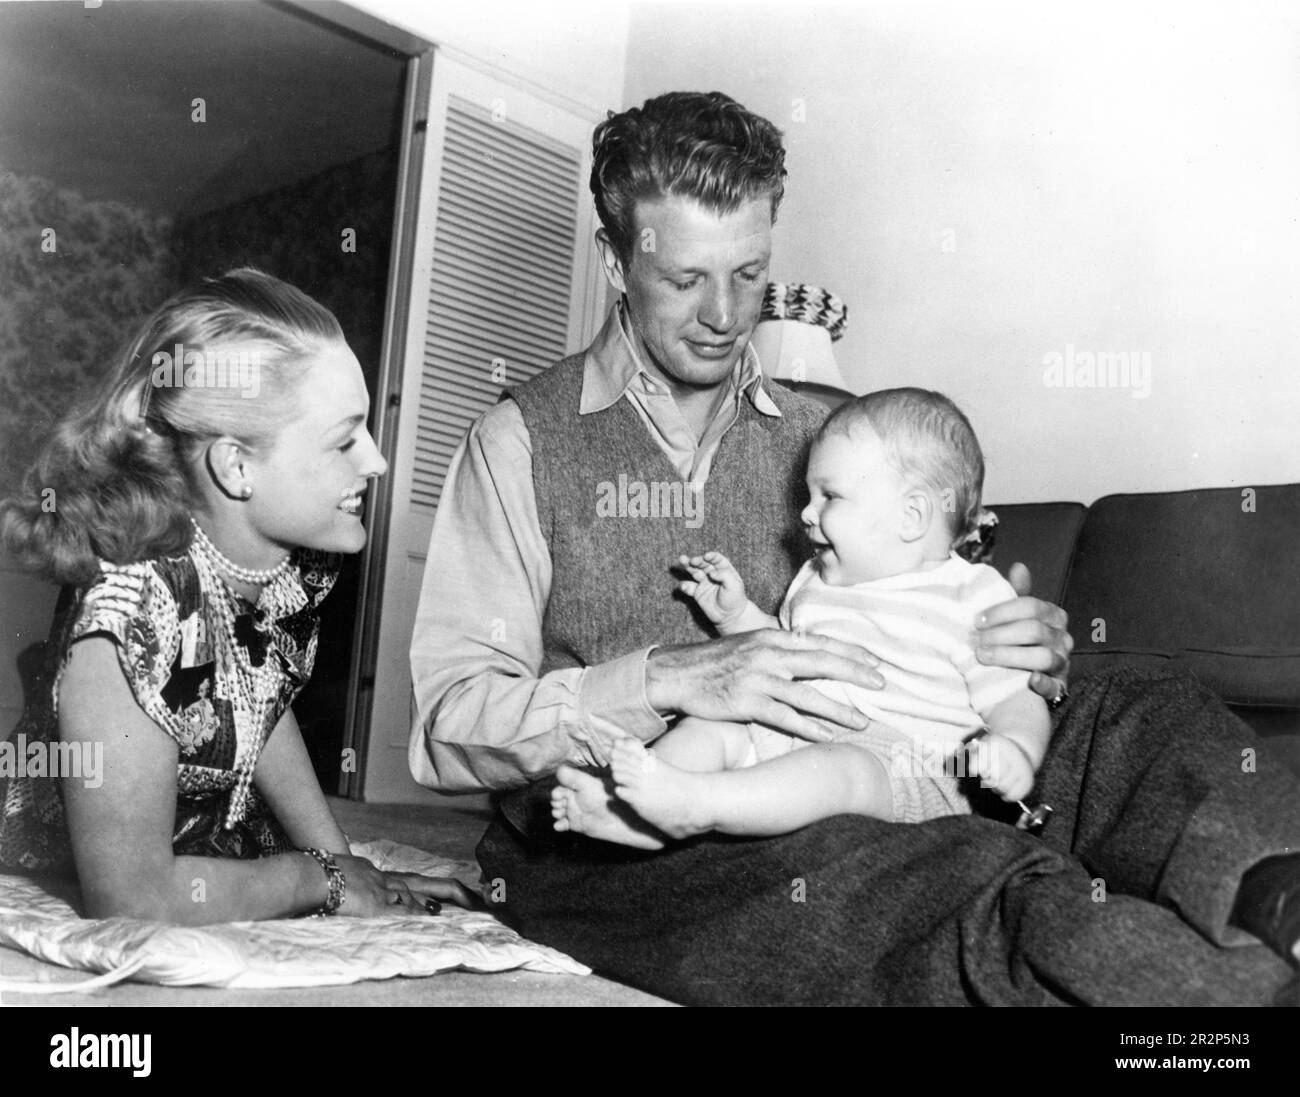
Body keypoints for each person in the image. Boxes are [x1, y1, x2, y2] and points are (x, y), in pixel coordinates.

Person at [410, 91, 1300, 1005]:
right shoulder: (518, 442)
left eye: (749, 274)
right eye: (685, 279)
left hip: (908, 744)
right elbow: (448, 725)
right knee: (927, 877)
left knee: (1136, 699)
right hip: (618, 820)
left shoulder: (829, 429)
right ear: (615, 257)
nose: (724, 314)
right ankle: (1211, 1004)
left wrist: (1025, 650)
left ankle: (1279, 884)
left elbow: (946, 593)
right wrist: (671, 678)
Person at [0, 269, 477, 923]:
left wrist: (346, 865)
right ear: (236, 466)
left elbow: (257, 700)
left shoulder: (281, 568)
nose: (377, 461)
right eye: (345, 438)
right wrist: (317, 879)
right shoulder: (130, 613)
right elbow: (131, 898)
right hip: (96, 861)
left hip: (201, 831)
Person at [550, 388, 1050, 848]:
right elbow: (783, 656)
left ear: (912, 516)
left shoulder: (971, 594)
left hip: (909, 770)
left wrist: (1015, 751)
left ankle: (699, 807)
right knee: (716, 724)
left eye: (829, 497)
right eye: (809, 496)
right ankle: (636, 814)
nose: (806, 514)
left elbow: (1016, 699)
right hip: (801, 729)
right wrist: (736, 617)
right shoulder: (814, 578)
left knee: (844, 769)